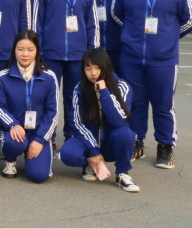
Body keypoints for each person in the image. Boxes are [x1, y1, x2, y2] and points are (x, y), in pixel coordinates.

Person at [112, 0, 192, 168]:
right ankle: (136, 141)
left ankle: (165, 145)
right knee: (134, 103)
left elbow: (188, 21)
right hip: (131, 58)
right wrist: (132, 36)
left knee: (163, 105)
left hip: (164, 60)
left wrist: (168, 38)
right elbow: (117, 15)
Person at [33, 0, 99, 142]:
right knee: (47, 98)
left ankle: (72, 136)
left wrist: (92, 55)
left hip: (79, 56)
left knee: (75, 98)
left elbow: (92, 24)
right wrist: (37, 53)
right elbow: (37, 23)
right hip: (50, 55)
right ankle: (48, 137)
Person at [58, 48, 140, 192]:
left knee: (126, 134)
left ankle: (122, 173)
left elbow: (119, 120)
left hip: (111, 141)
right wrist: (93, 150)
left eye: (97, 68)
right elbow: (77, 123)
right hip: (89, 140)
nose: (93, 73)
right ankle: (91, 163)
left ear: (106, 67)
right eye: (88, 68)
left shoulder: (122, 86)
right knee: (67, 153)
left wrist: (104, 92)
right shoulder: (79, 89)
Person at [0, 30, 59, 182]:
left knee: (39, 175)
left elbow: (53, 113)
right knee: (15, 143)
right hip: (13, 131)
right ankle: (10, 161)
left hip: (38, 132)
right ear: (14, 50)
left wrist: (40, 139)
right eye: (20, 49)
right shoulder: (2, 77)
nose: (25, 54)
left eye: (30, 50)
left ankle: (34, 150)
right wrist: (13, 124)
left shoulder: (49, 77)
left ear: (37, 51)